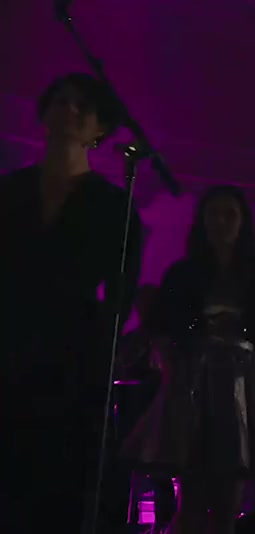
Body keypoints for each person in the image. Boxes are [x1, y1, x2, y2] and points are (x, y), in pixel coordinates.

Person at [0, 73, 144, 533]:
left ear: (100, 128)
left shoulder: (114, 205)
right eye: (61, 101)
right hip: (8, 342)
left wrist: (102, 349)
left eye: (83, 105)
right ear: (44, 116)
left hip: (72, 359)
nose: (70, 109)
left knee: (58, 482)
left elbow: (121, 292)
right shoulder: (9, 192)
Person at [122, 185, 255, 534]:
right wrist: (173, 369)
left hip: (243, 389)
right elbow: (162, 328)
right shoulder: (183, 273)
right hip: (193, 384)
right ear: (201, 220)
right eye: (213, 213)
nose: (221, 221)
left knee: (230, 498)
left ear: (243, 222)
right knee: (194, 496)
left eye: (230, 214)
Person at [115, 284, 178, 532]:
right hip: (137, 410)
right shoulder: (137, 339)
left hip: (155, 410)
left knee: (159, 470)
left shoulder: (165, 341)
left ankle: (163, 523)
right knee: (147, 469)